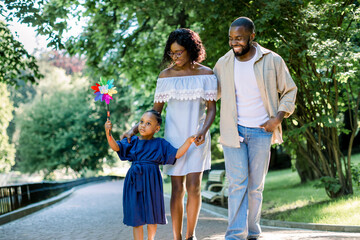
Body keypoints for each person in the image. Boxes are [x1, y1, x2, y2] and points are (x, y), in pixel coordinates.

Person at [122, 28, 217, 240]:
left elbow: (212, 108)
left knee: (194, 187)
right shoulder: (165, 76)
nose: (175, 57)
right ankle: (177, 237)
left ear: (191, 50)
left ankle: (190, 235)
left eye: (179, 52)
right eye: (172, 53)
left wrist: (203, 130)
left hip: (198, 136)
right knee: (177, 188)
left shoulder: (207, 74)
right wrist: (134, 129)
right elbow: (155, 112)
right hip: (174, 139)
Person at [213, 17, 297, 240]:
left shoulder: (272, 60)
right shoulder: (224, 62)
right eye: (231, 38)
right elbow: (211, 92)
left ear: (252, 36)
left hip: (262, 131)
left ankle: (252, 231)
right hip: (234, 131)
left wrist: (277, 118)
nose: (234, 43)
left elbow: (289, 90)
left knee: (255, 187)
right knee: (237, 184)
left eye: (239, 38)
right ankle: (235, 235)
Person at [105, 110, 195, 240]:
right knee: (137, 218)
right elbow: (116, 147)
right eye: (141, 122)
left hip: (152, 182)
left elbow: (176, 154)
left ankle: (150, 239)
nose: (142, 125)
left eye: (148, 123)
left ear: (156, 128)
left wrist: (189, 141)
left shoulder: (160, 143)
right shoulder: (133, 141)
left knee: (152, 216)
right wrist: (108, 133)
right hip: (134, 181)